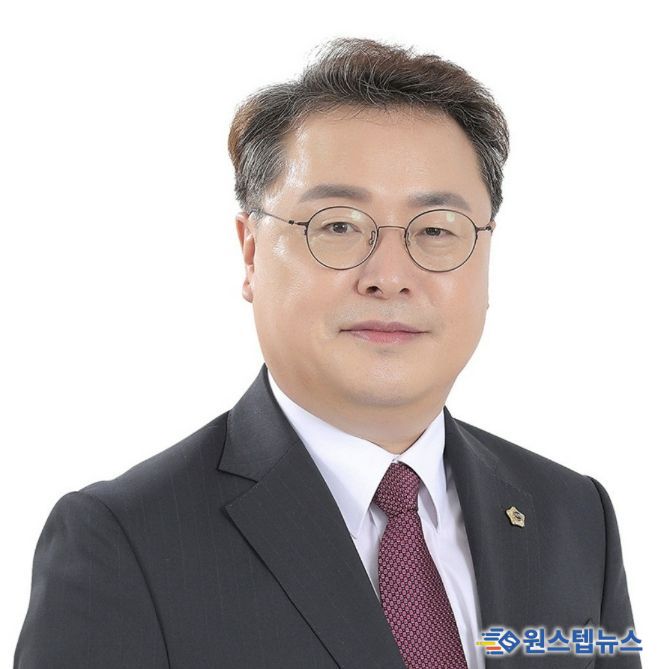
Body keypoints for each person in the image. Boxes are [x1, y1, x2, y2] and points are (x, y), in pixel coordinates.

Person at [15, 37, 640, 669]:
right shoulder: (124, 543)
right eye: (338, 226)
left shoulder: (574, 517)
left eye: (435, 230)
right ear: (251, 253)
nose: (389, 277)